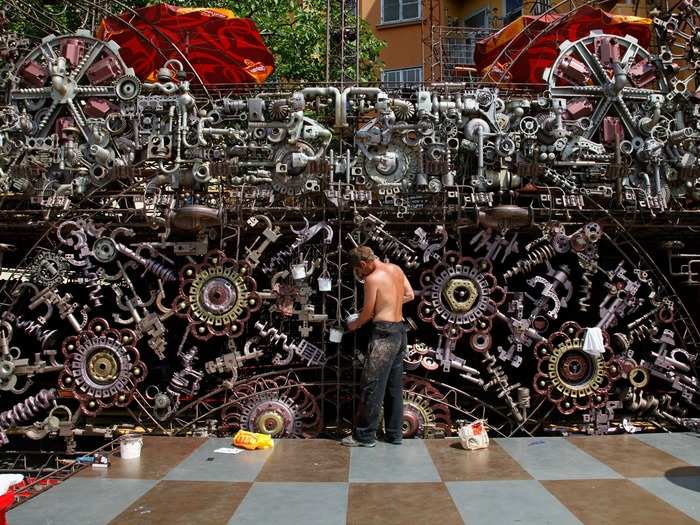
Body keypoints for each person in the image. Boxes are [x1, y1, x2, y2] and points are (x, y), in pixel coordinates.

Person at [341, 246, 414, 447]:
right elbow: (410, 295)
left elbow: (366, 313)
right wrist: (390, 304)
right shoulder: (396, 269)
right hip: (400, 331)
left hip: (383, 334)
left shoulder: (372, 279)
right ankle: (394, 434)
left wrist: (354, 325)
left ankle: (364, 436)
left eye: (359, 270)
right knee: (393, 387)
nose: (361, 274)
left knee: (371, 385)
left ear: (363, 264)